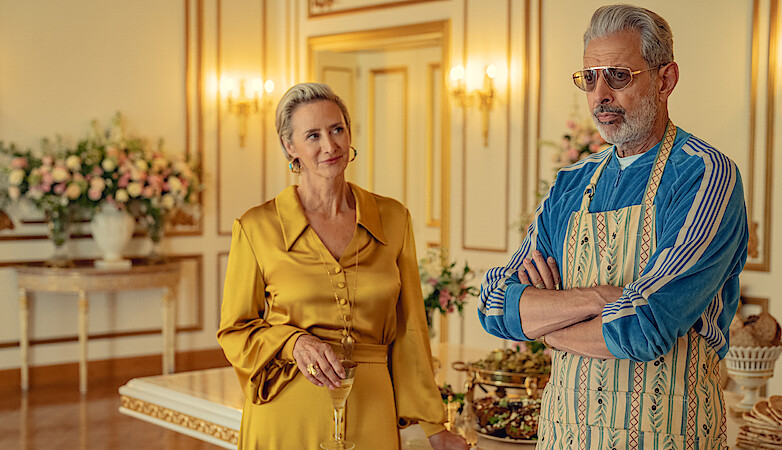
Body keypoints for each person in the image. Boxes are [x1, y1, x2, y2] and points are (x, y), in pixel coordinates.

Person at [479, 5, 748, 449]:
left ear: (665, 80)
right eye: (590, 78)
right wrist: (600, 298)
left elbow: (644, 325)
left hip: (668, 434)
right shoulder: (571, 183)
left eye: (618, 76)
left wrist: (546, 324)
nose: (599, 94)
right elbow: (494, 305)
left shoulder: (704, 175)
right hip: (563, 434)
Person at [218, 82, 467, 449]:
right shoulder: (256, 227)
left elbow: (411, 330)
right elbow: (235, 331)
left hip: (373, 408)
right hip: (289, 410)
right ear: (291, 147)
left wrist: (433, 424)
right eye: (313, 135)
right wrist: (293, 343)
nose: (329, 145)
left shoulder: (393, 218)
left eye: (337, 129)